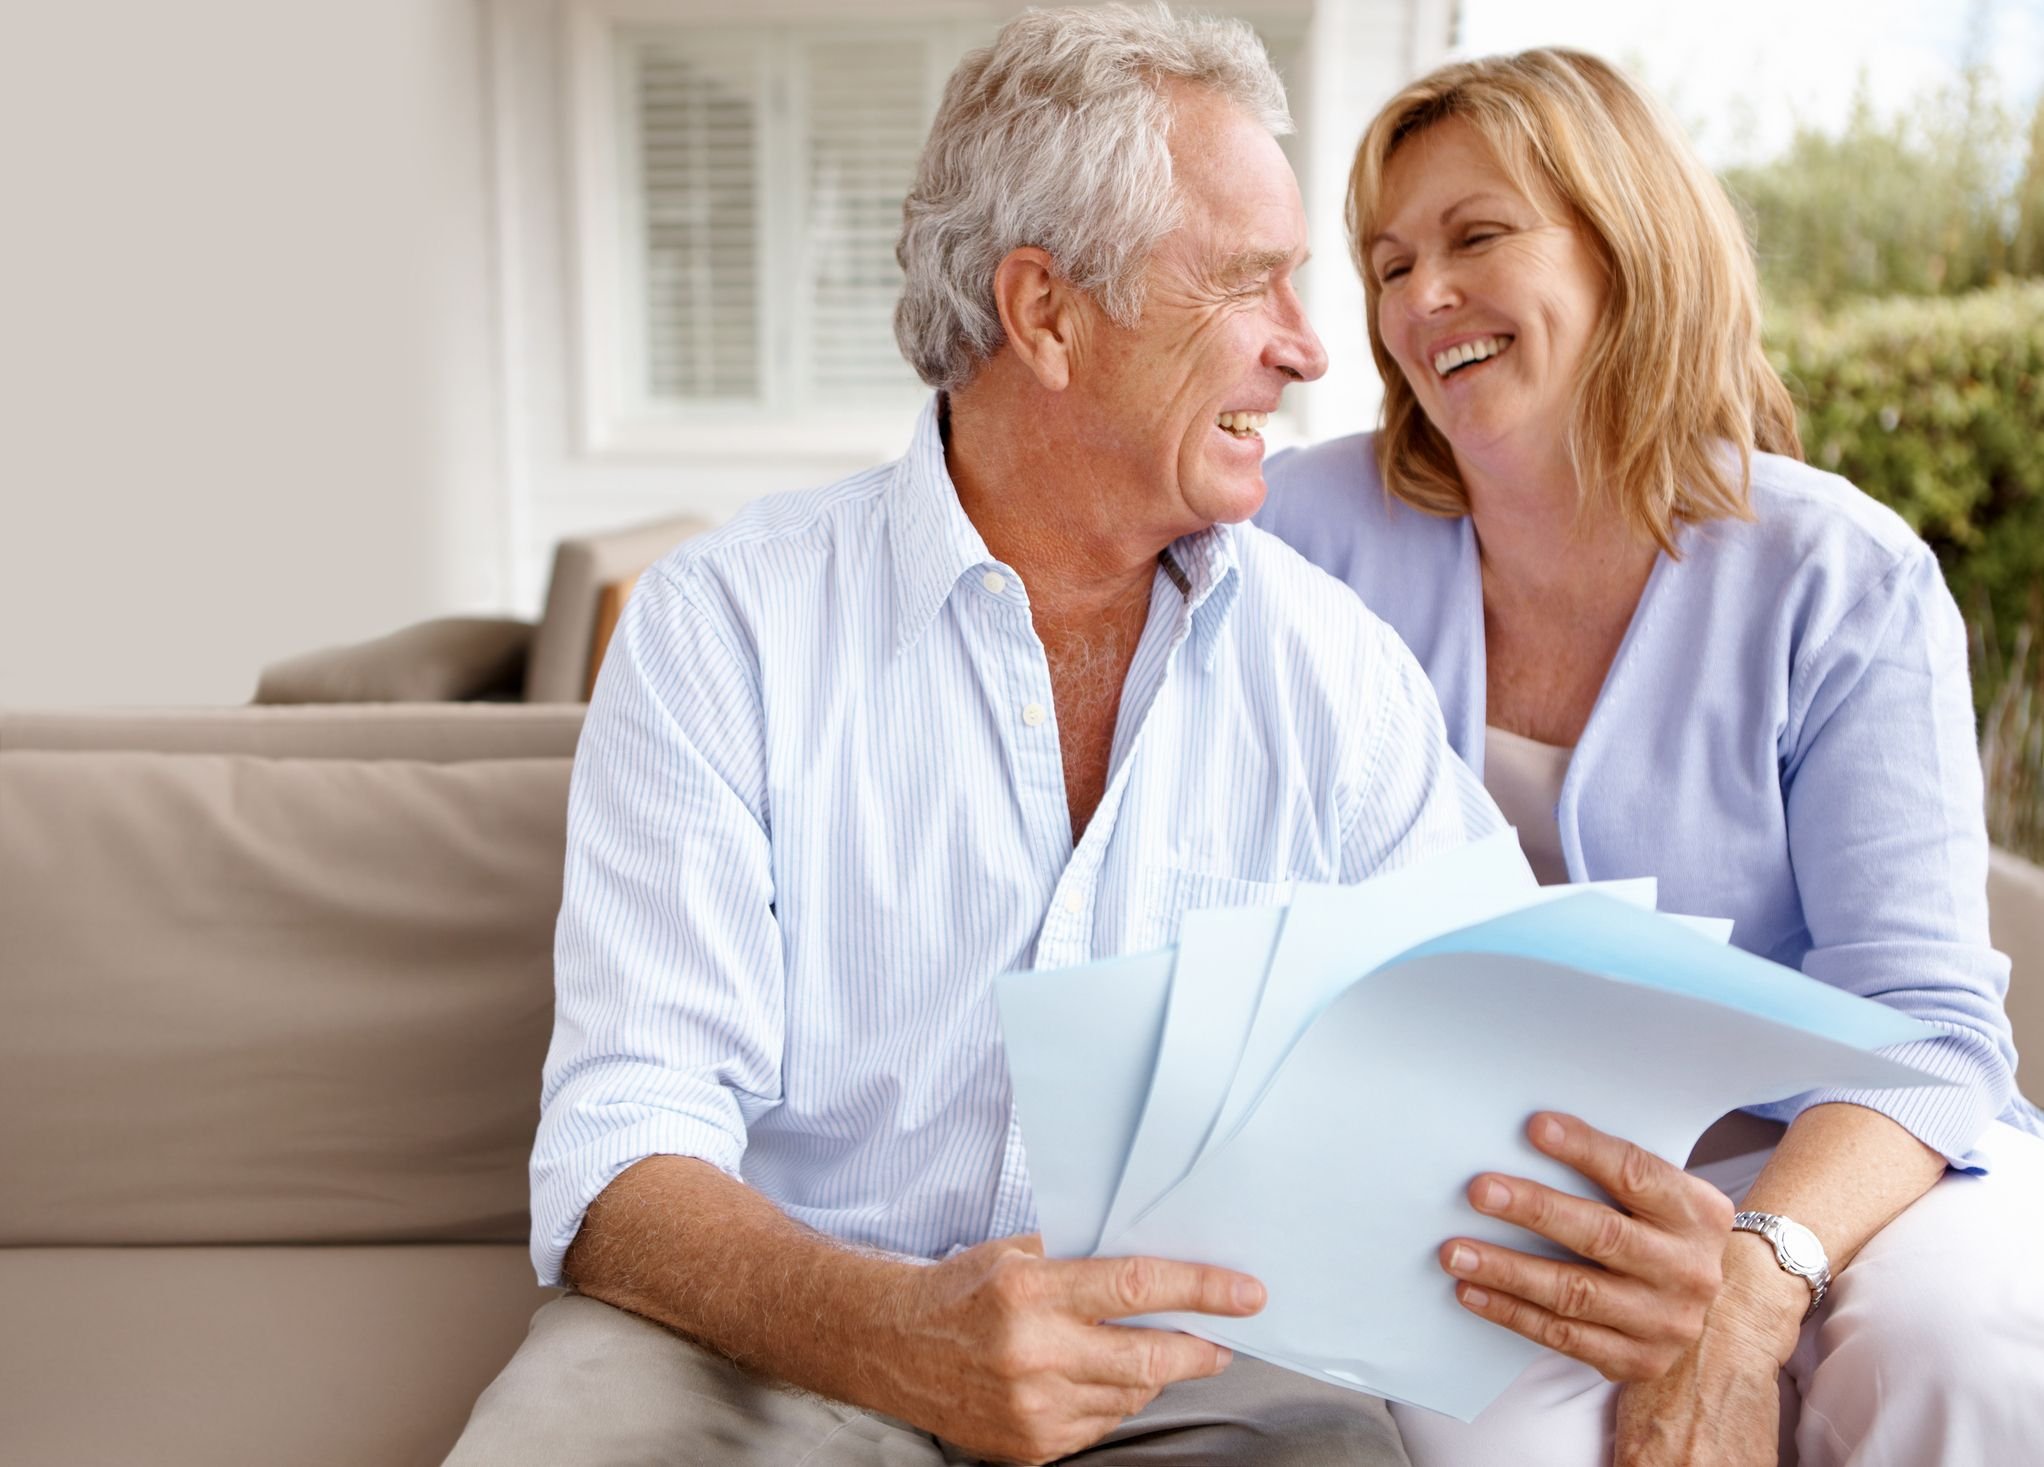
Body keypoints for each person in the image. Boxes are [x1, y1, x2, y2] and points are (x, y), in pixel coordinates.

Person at [448, 10, 1734, 1464]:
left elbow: (1505, 1061)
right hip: (759, 1354)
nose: (1312, 350)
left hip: (1194, 1386)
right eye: (1250, 284)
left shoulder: (1335, 675)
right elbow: (626, 1149)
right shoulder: (723, 628)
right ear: (1047, 314)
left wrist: (1647, 1234)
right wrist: (893, 1330)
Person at [1257, 46, 2044, 1467]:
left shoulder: (1841, 574)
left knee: (1964, 1359)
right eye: (1387, 264)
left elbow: (1927, 1023)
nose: (1419, 297)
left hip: (1851, 1153)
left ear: (1628, 247)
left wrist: (1748, 1289)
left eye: (1477, 236)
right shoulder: (1303, 528)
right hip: (1504, 1173)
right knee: (1502, 1441)